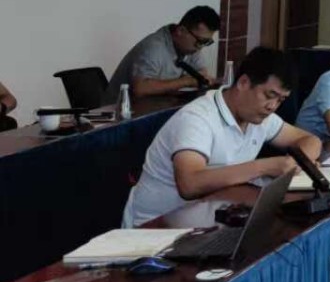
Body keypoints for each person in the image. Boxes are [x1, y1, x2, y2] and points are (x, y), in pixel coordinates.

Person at [122, 46, 320, 226]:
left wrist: (298, 162)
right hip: (156, 226)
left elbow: (310, 140)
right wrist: (266, 167)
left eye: (281, 100)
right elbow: (190, 184)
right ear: (243, 83)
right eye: (269, 95)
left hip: (209, 216)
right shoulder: (197, 118)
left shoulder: (260, 116)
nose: (273, 106)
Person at [107, 6, 220, 102]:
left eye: (206, 42)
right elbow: (141, 88)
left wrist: (196, 79)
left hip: (153, 107)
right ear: (181, 31)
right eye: (200, 41)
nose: (200, 47)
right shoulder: (154, 47)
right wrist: (186, 81)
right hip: (118, 112)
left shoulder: (191, 46)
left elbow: (201, 73)